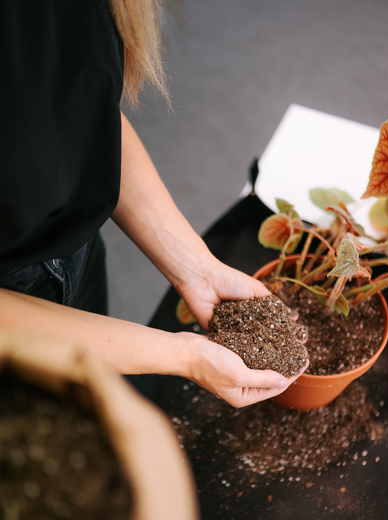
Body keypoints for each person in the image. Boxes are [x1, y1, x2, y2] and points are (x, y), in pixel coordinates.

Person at [0, 0, 307, 408]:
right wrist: (186, 356)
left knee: (88, 407)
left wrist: (199, 270)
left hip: (76, 253)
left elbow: (83, 120)